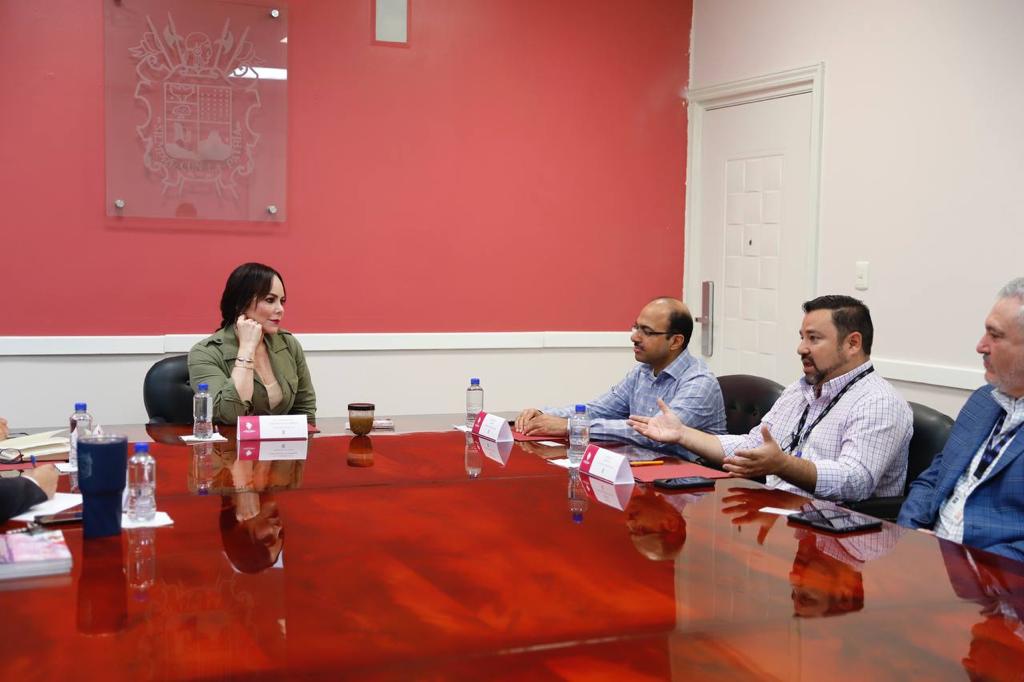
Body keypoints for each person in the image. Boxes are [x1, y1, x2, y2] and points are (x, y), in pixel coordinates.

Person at [630, 295, 912, 502]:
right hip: (782, 514)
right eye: (802, 337)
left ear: (853, 343)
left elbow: (855, 481)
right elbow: (751, 445)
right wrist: (682, 434)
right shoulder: (799, 391)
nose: (801, 348)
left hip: (846, 537)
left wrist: (783, 465)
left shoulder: (878, 402)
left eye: (814, 339)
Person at [898, 278, 1024, 561]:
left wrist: (964, 563)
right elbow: (932, 480)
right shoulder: (983, 401)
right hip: (926, 561)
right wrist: (911, 533)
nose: (980, 346)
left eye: (995, 335)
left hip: (994, 578)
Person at [515, 297, 726, 449]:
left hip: (694, 484)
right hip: (647, 469)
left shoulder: (698, 382)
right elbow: (598, 409)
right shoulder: (642, 372)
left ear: (676, 341)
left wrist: (572, 426)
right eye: (636, 327)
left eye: (646, 331)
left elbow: (654, 434)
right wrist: (545, 415)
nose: (634, 337)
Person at [189, 263, 316, 424]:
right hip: (230, 439)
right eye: (270, 300)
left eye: (282, 301)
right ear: (240, 304)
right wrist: (247, 348)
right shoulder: (205, 353)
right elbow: (229, 415)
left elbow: (305, 409)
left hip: (284, 440)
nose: (280, 309)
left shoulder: (288, 343)